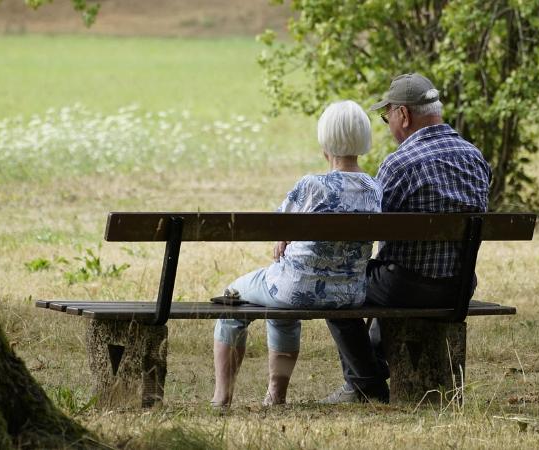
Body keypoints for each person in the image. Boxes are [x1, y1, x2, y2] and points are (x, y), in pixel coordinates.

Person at [321, 73, 492, 404]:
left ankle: (366, 384)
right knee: (385, 275)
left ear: (403, 114)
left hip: (407, 287)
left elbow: (367, 229)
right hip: (459, 287)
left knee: (333, 285)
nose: (388, 125)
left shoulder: (399, 164)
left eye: (387, 117)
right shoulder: (475, 158)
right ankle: (367, 374)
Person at [211, 100, 383, 408]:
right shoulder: (374, 188)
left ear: (325, 141)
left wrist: (284, 236)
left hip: (295, 289)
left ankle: (221, 397)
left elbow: (276, 225)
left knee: (232, 296)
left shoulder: (311, 185)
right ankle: (275, 396)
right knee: (281, 304)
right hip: (349, 294)